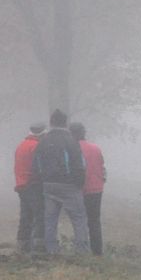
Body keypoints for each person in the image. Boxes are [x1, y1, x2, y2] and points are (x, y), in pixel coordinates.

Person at [33, 109, 89, 254]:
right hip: (69, 185)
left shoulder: (43, 141)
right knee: (78, 218)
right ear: (65, 123)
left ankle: (52, 249)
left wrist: (42, 181)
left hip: (48, 185)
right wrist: (80, 183)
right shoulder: (71, 140)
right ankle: (81, 250)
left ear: (51, 123)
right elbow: (80, 164)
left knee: (50, 219)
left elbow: (36, 163)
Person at [69, 122, 106, 256]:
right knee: (94, 220)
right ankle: (97, 251)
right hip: (96, 188)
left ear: (71, 134)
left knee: (80, 220)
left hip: (79, 189)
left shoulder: (71, 148)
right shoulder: (95, 148)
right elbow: (102, 166)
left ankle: (81, 249)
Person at [14, 122, 47, 253]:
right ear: (42, 134)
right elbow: (40, 167)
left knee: (25, 215)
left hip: (21, 184)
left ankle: (22, 244)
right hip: (33, 184)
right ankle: (39, 245)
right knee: (39, 215)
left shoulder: (21, 145)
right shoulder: (36, 146)